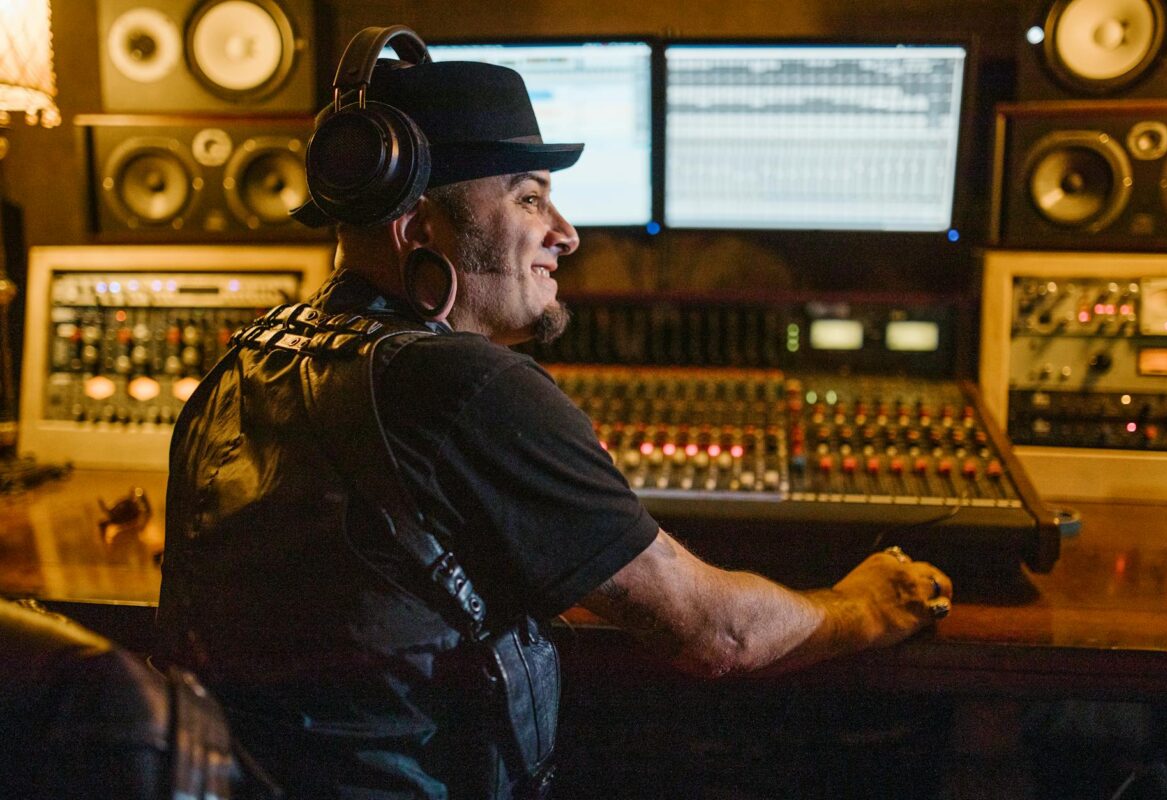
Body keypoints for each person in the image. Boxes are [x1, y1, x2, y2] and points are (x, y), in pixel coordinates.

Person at [157, 24, 953, 800]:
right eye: (530, 198)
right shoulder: (467, 386)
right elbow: (717, 636)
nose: (565, 234)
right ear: (421, 225)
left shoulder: (244, 358)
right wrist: (859, 606)